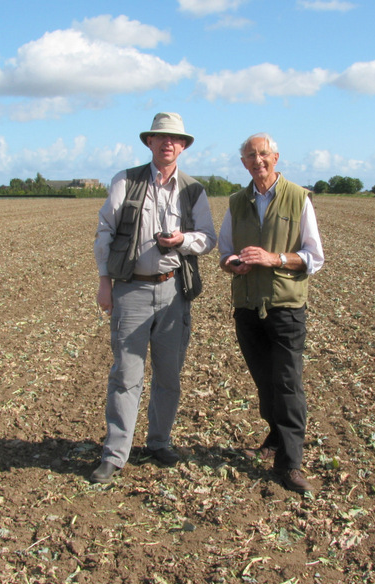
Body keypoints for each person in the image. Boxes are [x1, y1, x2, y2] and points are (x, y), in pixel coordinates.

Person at [91, 112, 217, 484]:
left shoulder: (193, 189)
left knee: (168, 375)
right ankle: (115, 454)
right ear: (149, 142)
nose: (167, 143)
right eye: (160, 137)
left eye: (175, 139)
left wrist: (183, 240)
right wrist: (104, 282)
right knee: (126, 375)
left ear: (183, 146)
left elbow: (208, 238)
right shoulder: (126, 181)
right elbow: (104, 232)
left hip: (174, 290)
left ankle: (159, 441)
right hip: (130, 289)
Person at [218, 133, 324, 494]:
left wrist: (274, 259)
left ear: (276, 157)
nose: (257, 160)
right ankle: (275, 439)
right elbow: (224, 252)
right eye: (250, 156)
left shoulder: (298, 198)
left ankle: (290, 463)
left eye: (263, 154)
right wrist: (234, 265)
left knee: (288, 383)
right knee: (264, 382)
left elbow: (314, 257)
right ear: (244, 163)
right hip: (247, 306)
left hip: (286, 307)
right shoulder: (236, 202)